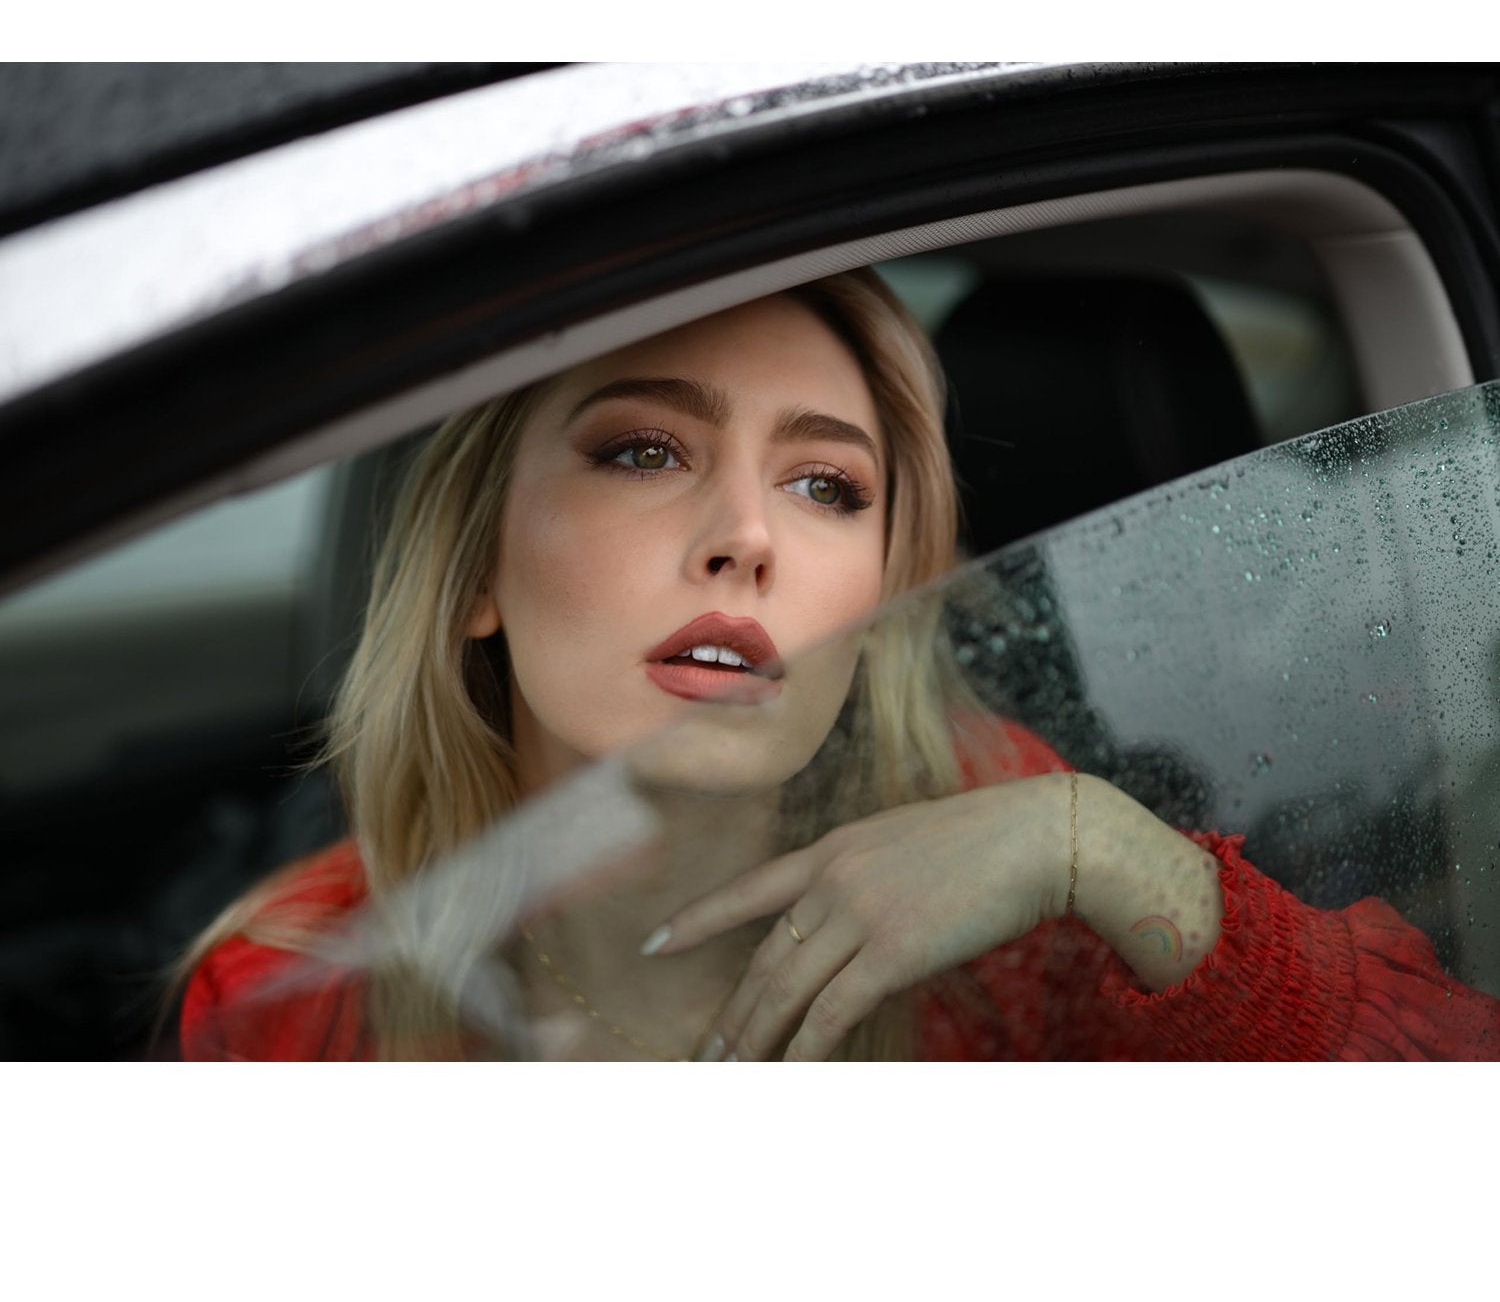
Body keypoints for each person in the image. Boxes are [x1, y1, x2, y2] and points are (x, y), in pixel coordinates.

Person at [179, 269, 1500, 1061]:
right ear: (477, 569)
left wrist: (1098, 848)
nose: (746, 537)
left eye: (825, 485)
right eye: (644, 451)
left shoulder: (1033, 940)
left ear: (877, 606)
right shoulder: (290, 1003)